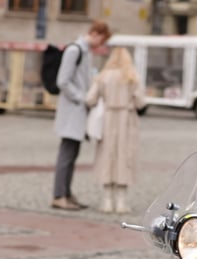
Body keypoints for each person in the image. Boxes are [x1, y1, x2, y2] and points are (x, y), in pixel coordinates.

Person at [51, 21, 112, 211]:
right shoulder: (75, 50)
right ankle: (59, 195)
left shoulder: (84, 52)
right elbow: (63, 81)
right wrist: (82, 98)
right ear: (95, 33)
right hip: (72, 111)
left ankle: (66, 193)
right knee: (67, 154)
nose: (101, 44)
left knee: (71, 153)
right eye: (101, 39)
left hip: (77, 110)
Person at [86, 47, 146, 214]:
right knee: (124, 157)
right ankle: (121, 201)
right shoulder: (133, 77)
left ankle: (106, 200)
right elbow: (141, 101)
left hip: (108, 118)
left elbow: (90, 98)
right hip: (126, 120)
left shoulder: (103, 77)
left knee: (107, 156)